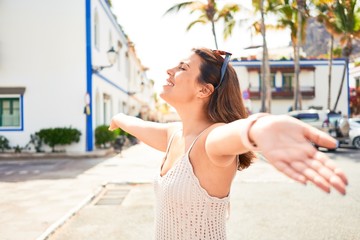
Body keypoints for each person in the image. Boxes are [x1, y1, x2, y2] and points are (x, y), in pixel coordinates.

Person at [109, 47, 348, 240]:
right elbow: (135, 124)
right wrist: (119, 118)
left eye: (182, 67)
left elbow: (234, 134)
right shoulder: (174, 134)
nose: (170, 70)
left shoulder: (211, 140)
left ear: (204, 90)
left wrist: (258, 127)